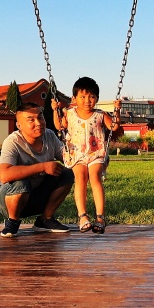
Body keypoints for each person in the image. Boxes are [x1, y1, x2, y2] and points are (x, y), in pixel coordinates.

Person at [0, 103, 74, 237]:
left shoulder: (49, 136)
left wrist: (92, 157)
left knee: (66, 174)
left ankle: (45, 220)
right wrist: (43, 167)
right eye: (31, 120)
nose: (38, 123)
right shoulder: (13, 142)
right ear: (19, 125)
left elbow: (68, 159)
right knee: (20, 181)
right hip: (7, 201)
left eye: (40, 118)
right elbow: (4, 175)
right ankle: (12, 222)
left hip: (35, 197)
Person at [52, 76, 121, 233]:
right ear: (74, 98)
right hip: (76, 154)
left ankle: (100, 217)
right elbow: (59, 125)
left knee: (95, 178)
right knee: (81, 179)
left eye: (91, 97)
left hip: (96, 153)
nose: (87, 100)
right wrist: (54, 110)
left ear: (96, 98)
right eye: (82, 97)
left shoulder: (100, 114)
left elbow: (114, 126)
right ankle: (82, 216)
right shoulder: (69, 113)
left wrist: (117, 110)